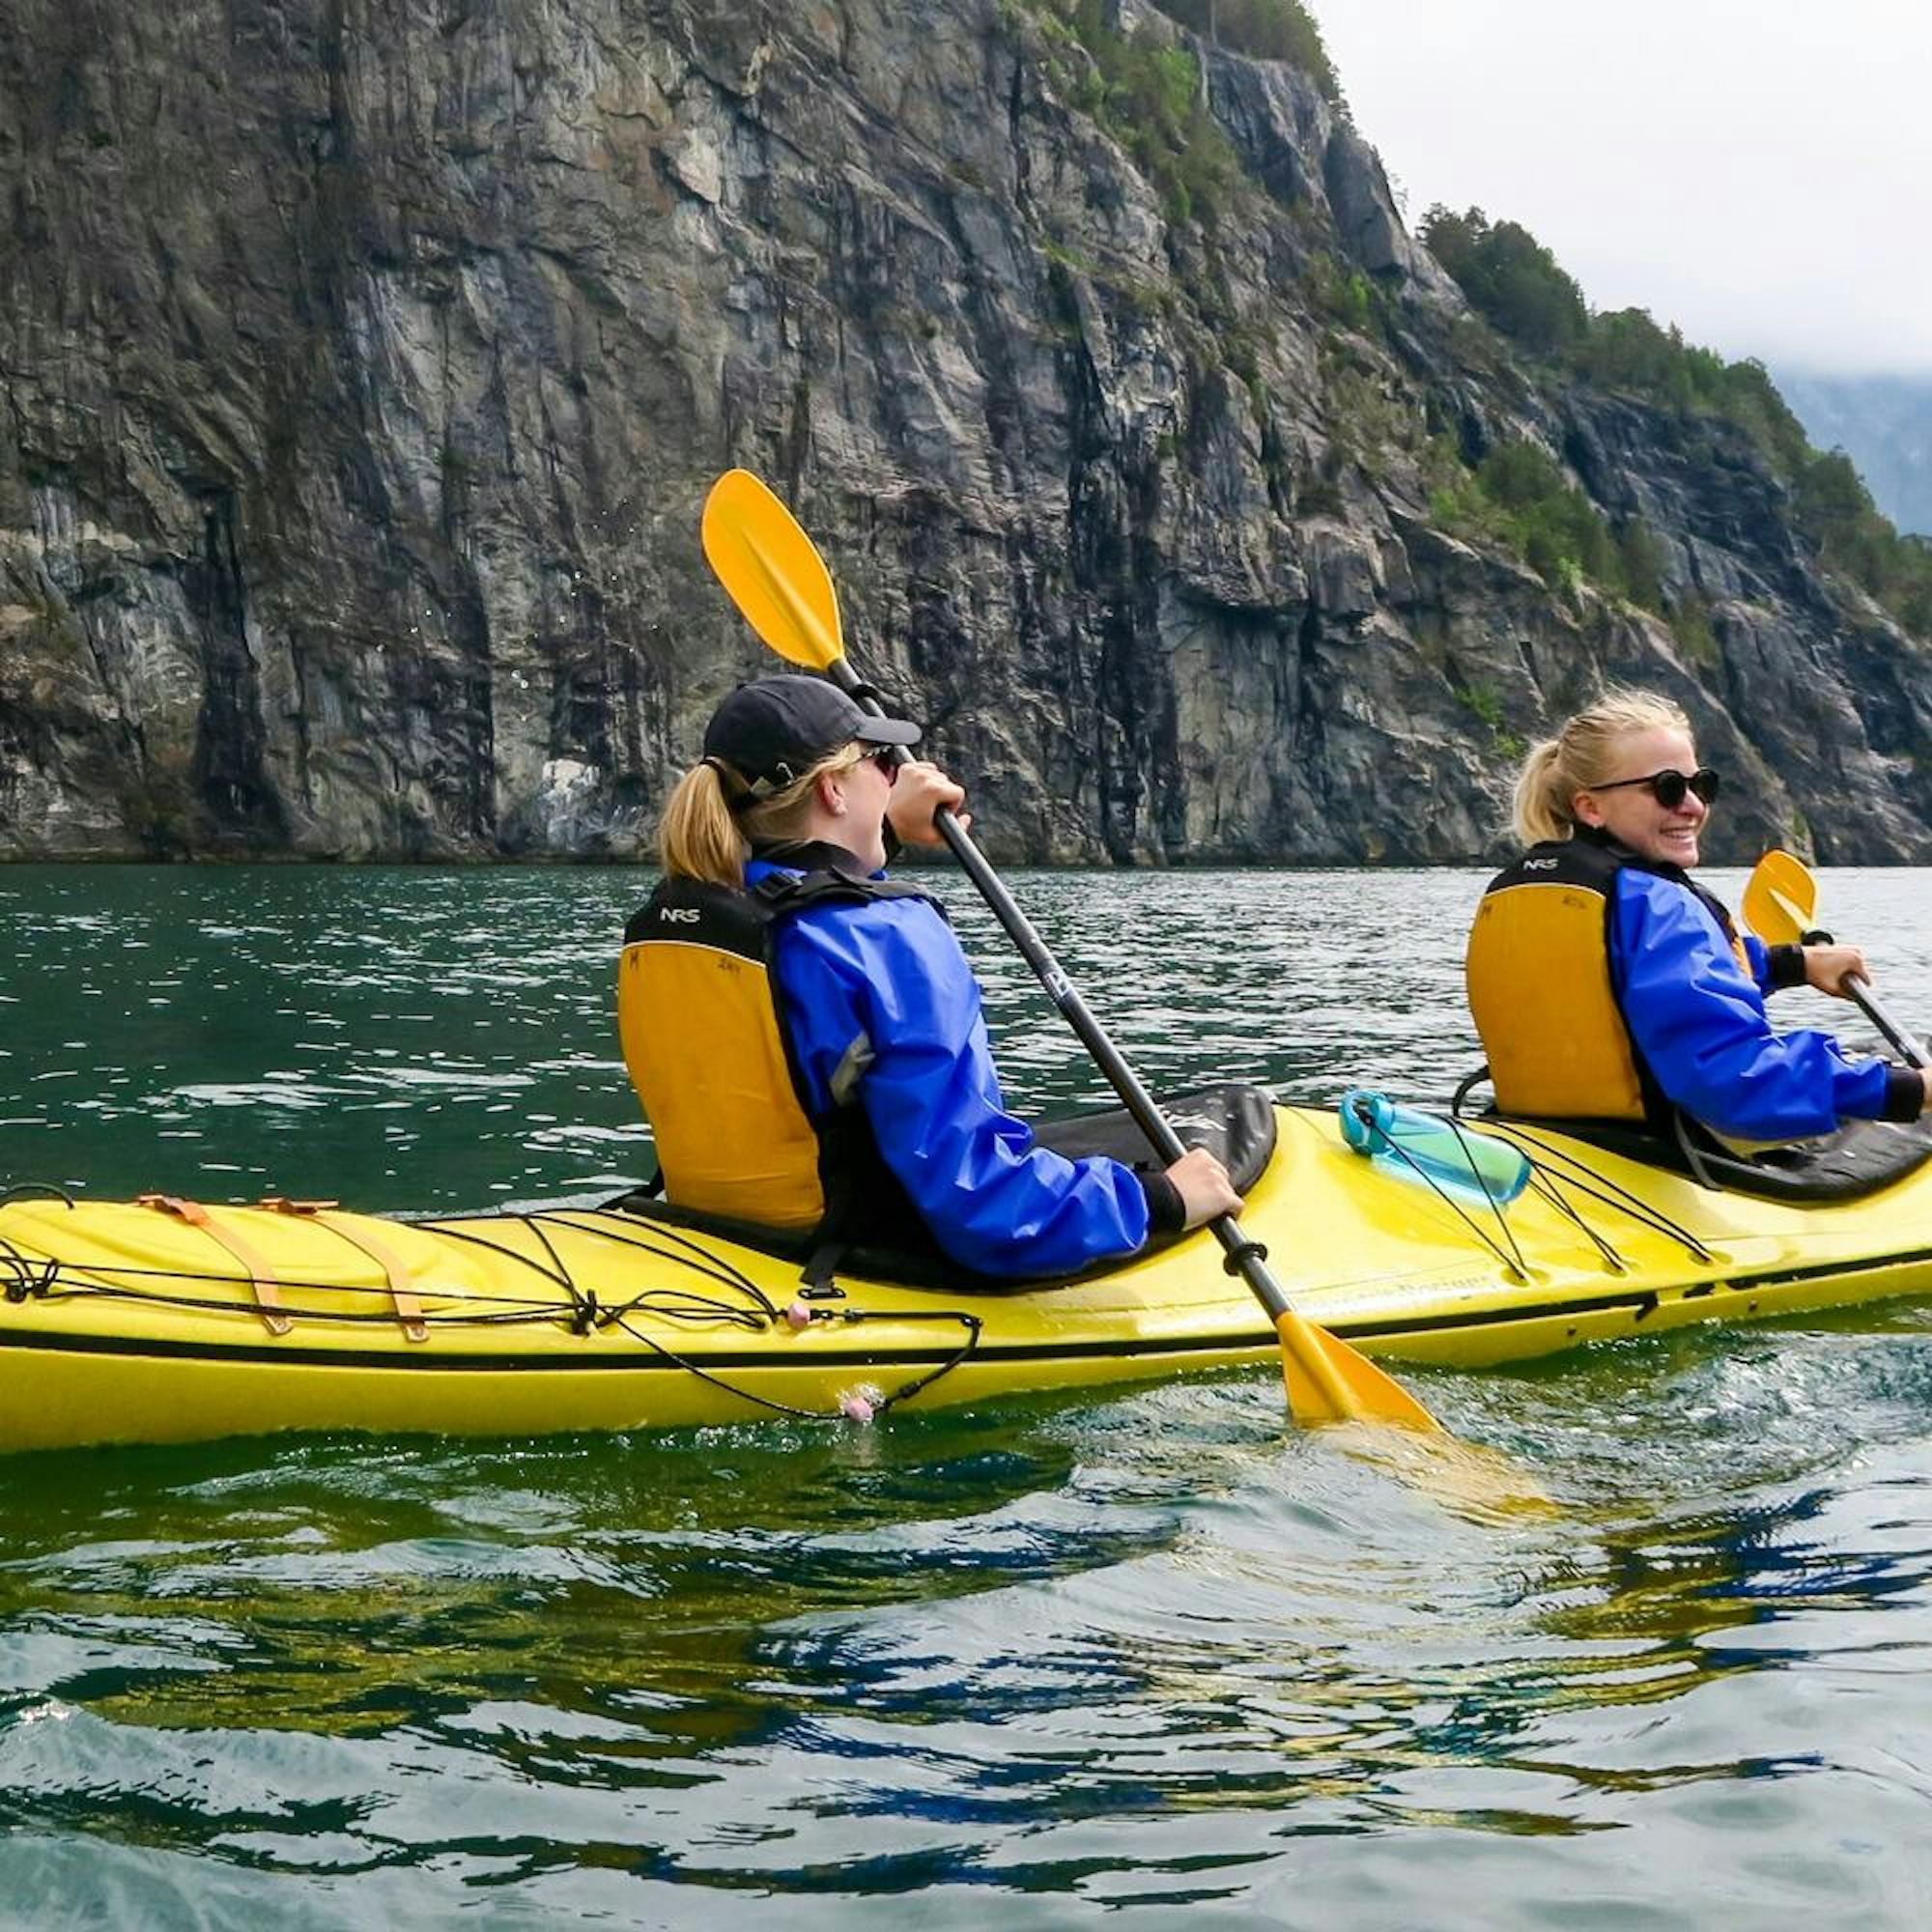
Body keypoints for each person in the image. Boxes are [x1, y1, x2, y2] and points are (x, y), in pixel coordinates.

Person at [618, 674, 1242, 1277]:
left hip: (731, 1233)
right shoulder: (887, 934)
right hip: (860, 1255)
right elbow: (979, 1205)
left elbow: (798, 896)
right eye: (881, 763)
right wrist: (1160, 1200)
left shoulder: (682, 911)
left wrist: (880, 827)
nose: (894, 775)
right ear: (835, 790)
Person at [1464, 688, 1930, 1145]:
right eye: (1666, 789)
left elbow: (1629, 977)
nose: (1693, 805)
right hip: (1660, 1153)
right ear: (1590, 807)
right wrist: (1909, 1089)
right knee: (1882, 1073)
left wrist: (1793, 963)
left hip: (1548, 1139)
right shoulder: (1659, 904)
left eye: (1700, 784)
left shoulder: (1523, 886)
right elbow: (1731, 1075)